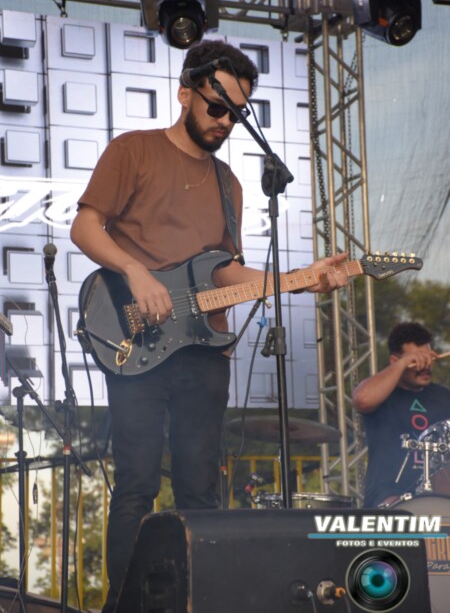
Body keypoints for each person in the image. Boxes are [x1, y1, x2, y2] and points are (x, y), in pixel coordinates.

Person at [70, 39, 350, 612]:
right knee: (137, 485)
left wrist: (299, 279)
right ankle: (123, 605)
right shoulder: (134, 150)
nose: (225, 121)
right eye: (216, 107)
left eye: (237, 113)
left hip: (203, 349)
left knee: (200, 489)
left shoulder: (230, 184)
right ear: (185, 94)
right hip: (135, 338)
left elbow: (225, 268)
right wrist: (136, 272)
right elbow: (86, 226)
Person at [352, 321, 450, 508]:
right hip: (388, 497)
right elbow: (362, 400)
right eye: (417, 361)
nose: (425, 366)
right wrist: (404, 363)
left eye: (429, 359)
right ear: (394, 361)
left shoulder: (444, 397)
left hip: (439, 497)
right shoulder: (382, 392)